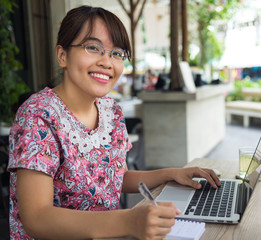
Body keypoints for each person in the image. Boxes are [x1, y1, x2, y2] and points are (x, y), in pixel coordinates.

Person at [7, 5, 220, 240]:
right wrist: (128, 220)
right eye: (93, 48)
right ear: (62, 55)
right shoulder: (38, 115)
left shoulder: (110, 110)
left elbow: (117, 178)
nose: (107, 62)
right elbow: (37, 218)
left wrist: (172, 173)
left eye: (117, 53)